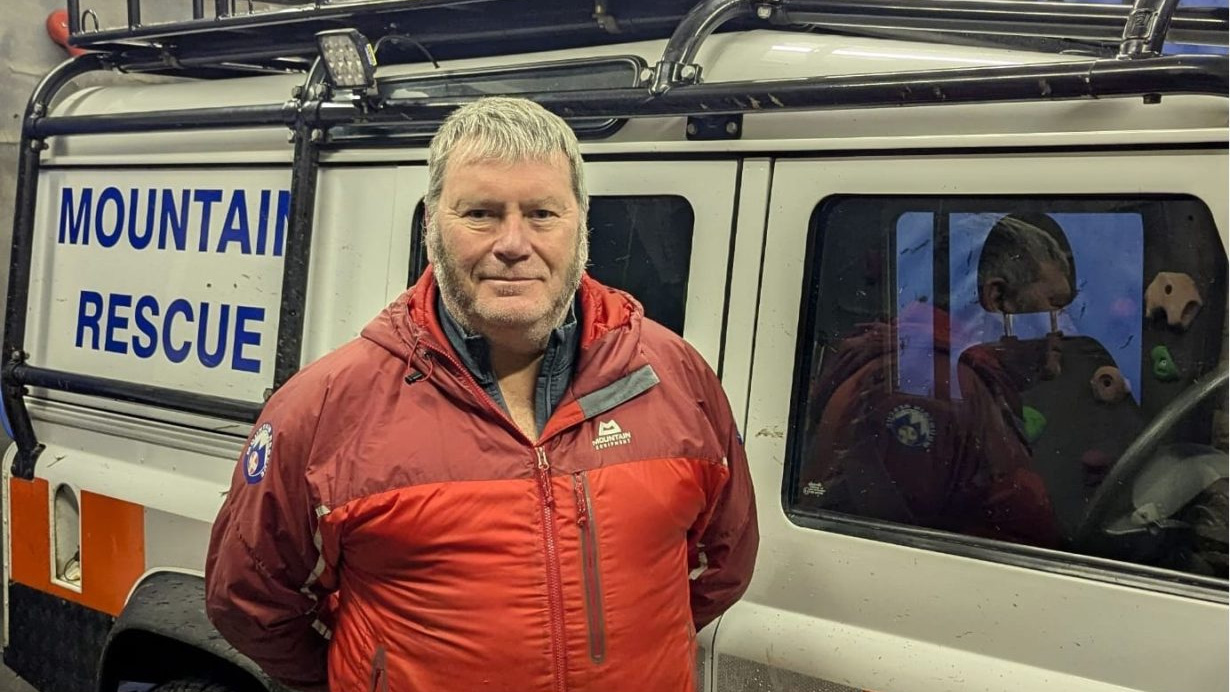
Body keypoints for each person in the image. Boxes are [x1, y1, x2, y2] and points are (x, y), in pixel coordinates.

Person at [204, 97, 757, 692]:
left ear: (582, 226)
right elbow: (252, 600)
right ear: (431, 228)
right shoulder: (324, 408)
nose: (514, 243)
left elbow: (717, 567)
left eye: (543, 213)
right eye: (482, 214)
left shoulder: (675, 378)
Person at [798, 213, 1074, 547]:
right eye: (1056, 305)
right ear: (998, 299)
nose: (1067, 328)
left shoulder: (953, 380)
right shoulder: (931, 389)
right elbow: (885, 558)